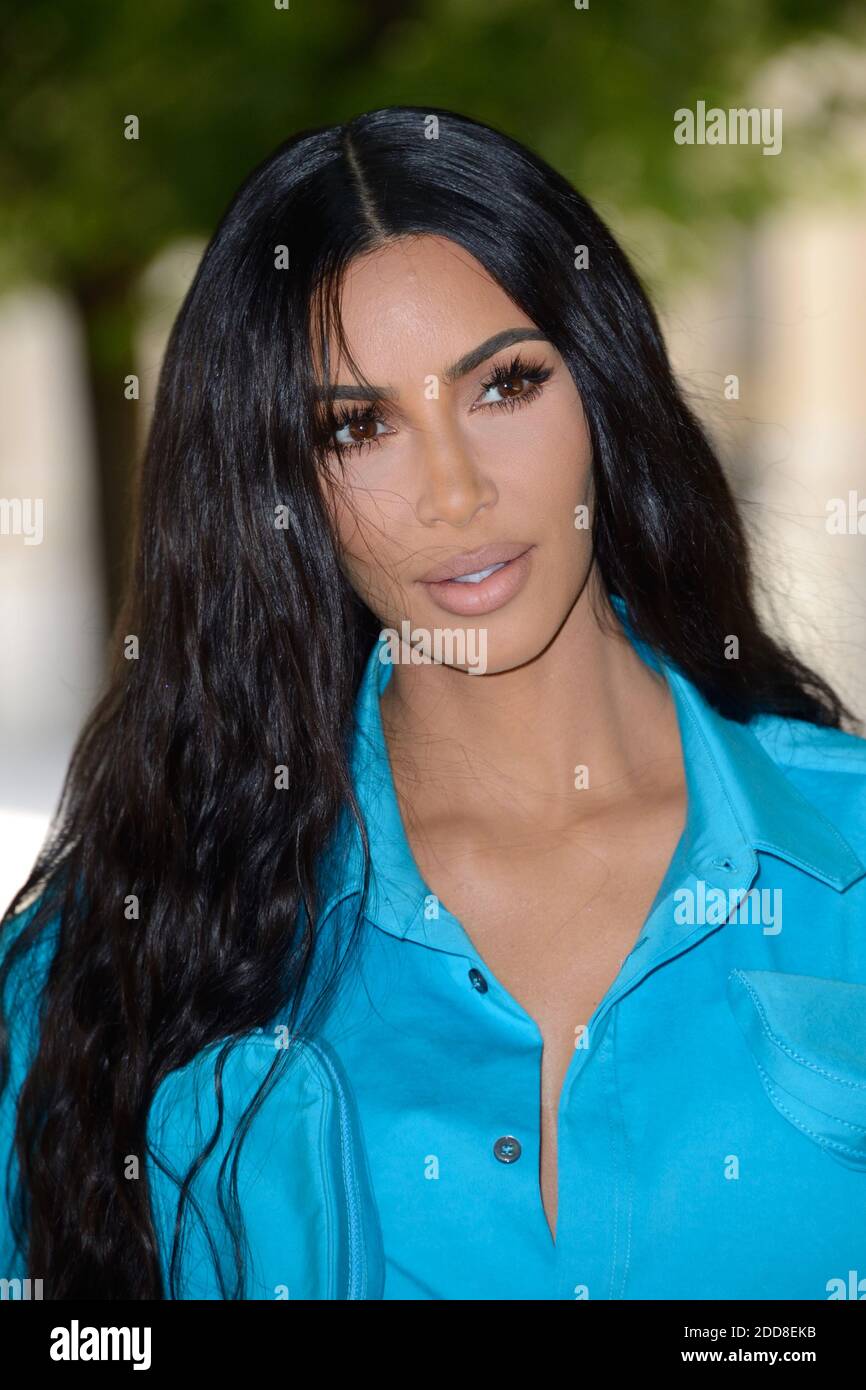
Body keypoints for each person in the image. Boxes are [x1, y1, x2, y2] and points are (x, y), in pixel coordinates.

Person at [2, 104, 866, 1302]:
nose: (454, 492)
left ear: (602, 390)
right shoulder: (105, 962)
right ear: (279, 481)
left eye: (502, 386)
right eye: (358, 426)